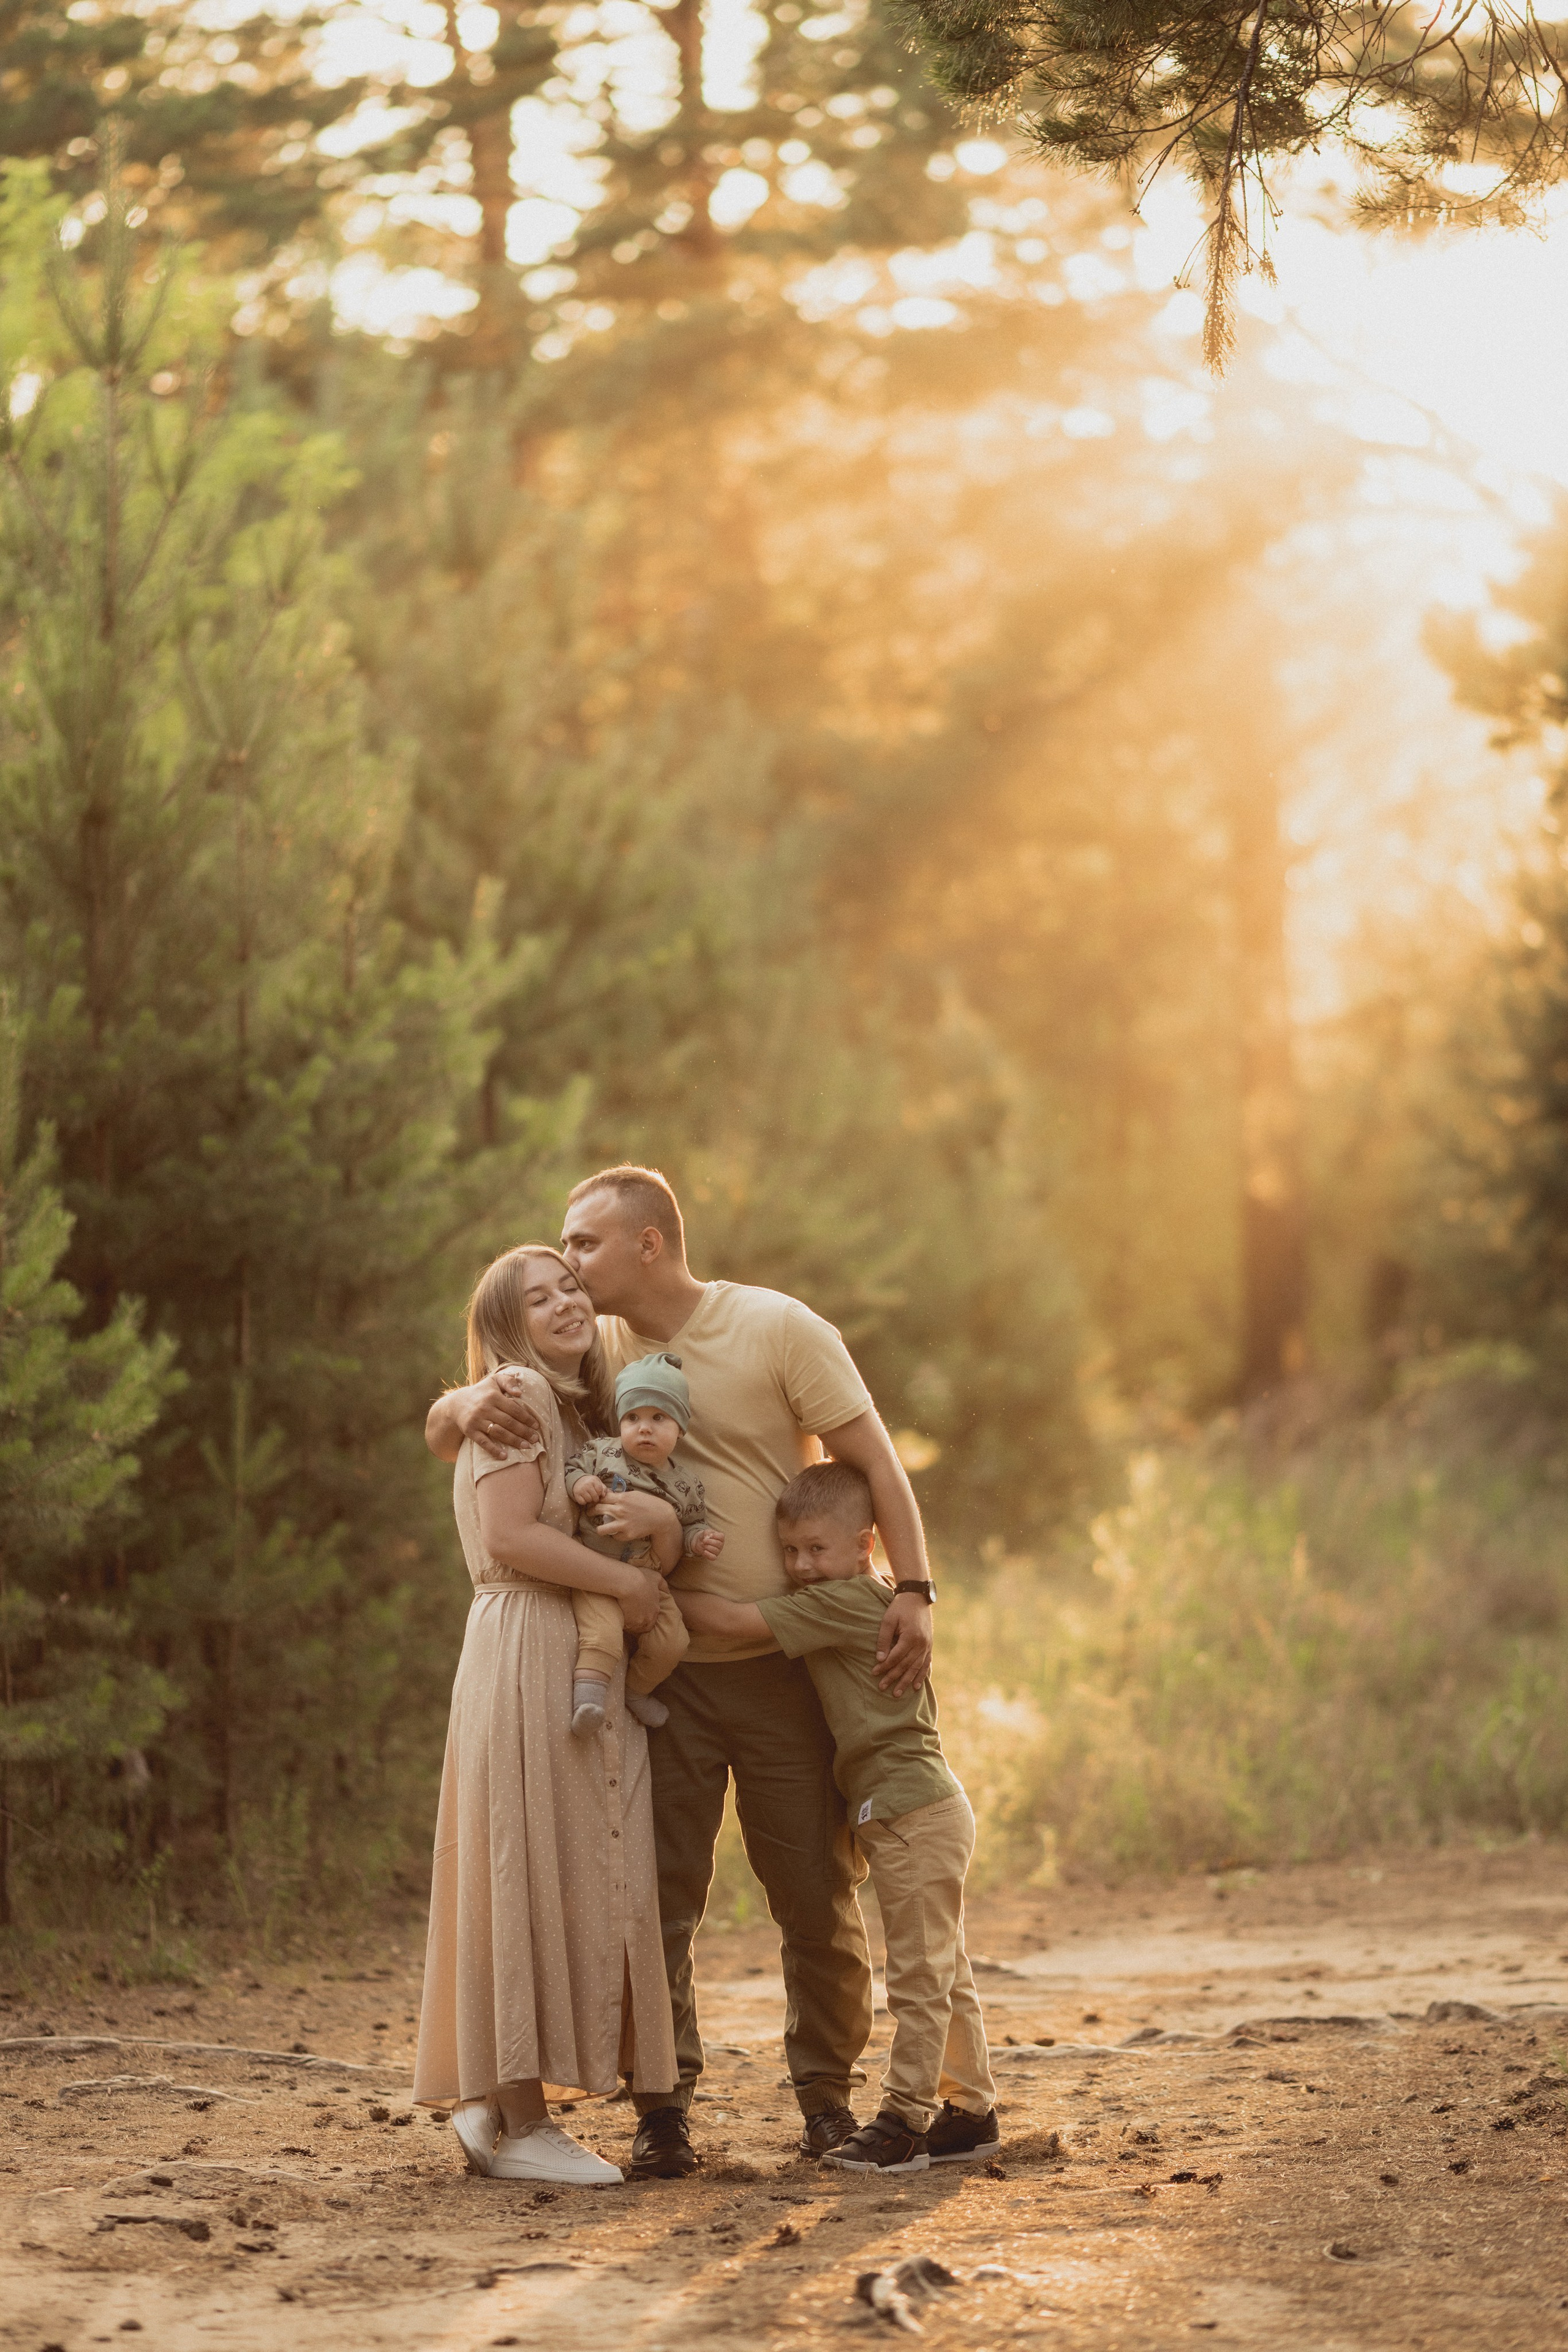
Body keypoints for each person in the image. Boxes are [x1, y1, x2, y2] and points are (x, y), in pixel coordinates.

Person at [424, 1164, 937, 2182]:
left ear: (647, 1243)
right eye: (561, 1256)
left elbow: (876, 1459)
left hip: (784, 1669)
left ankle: (826, 2100)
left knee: (813, 1896)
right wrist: (467, 1397)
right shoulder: (597, 1350)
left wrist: (916, 1587)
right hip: (662, 1684)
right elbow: (479, 1408)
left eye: (584, 1245)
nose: (571, 1267)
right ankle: (664, 2112)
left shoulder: (776, 1327)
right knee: (653, 1902)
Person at [412, 1242, 680, 2188]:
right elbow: (509, 1534)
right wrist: (625, 1587)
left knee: (536, 1864)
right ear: (504, 1325)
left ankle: (495, 2100)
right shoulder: (517, 1391)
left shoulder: (579, 1409)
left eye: (571, 1286)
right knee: (523, 1866)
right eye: (539, 1297)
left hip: (547, 1638)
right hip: (529, 1639)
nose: (566, 1301)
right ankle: (524, 2124)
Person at [675, 1458, 998, 2174]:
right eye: (789, 1551)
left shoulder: (844, 1600)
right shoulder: (861, 1593)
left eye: (816, 1549)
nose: (800, 1567)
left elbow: (730, 1621)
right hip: (914, 1809)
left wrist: (648, 1582)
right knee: (945, 1968)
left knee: (918, 1978)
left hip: (911, 1811)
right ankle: (972, 2111)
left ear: (864, 1545)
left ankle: (904, 2120)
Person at [563, 1351, 723, 1738]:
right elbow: (571, 1468)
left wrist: (699, 1540)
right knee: (601, 1635)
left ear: (680, 1428)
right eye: (632, 1418)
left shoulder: (686, 1484)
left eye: (659, 1418)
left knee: (673, 1642)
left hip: (650, 1577)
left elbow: (691, 1525)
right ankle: (588, 1702)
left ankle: (636, 1691)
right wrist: (580, 1482)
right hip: (596, 1570)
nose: (644, 1429)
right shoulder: (602, 1452)